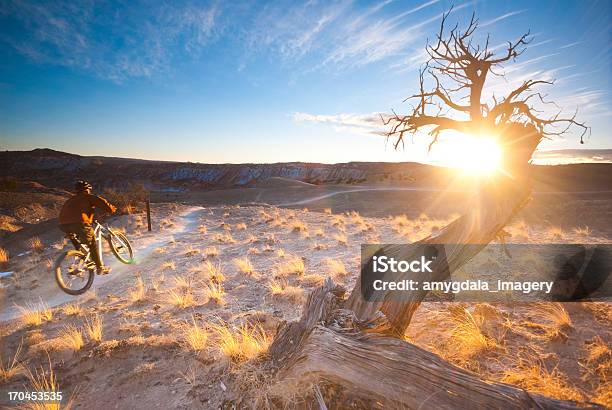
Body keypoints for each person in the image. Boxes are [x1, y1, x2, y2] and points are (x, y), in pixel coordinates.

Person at [59, 180, 117, 274]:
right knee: (92, 243)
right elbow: (104, 204)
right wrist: (112, 210)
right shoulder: (88, 197)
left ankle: (81, 260)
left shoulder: (70, 200)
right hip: (80, 223)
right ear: (87, 190)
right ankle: (100, 267)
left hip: (64, 225)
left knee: (80, 245)